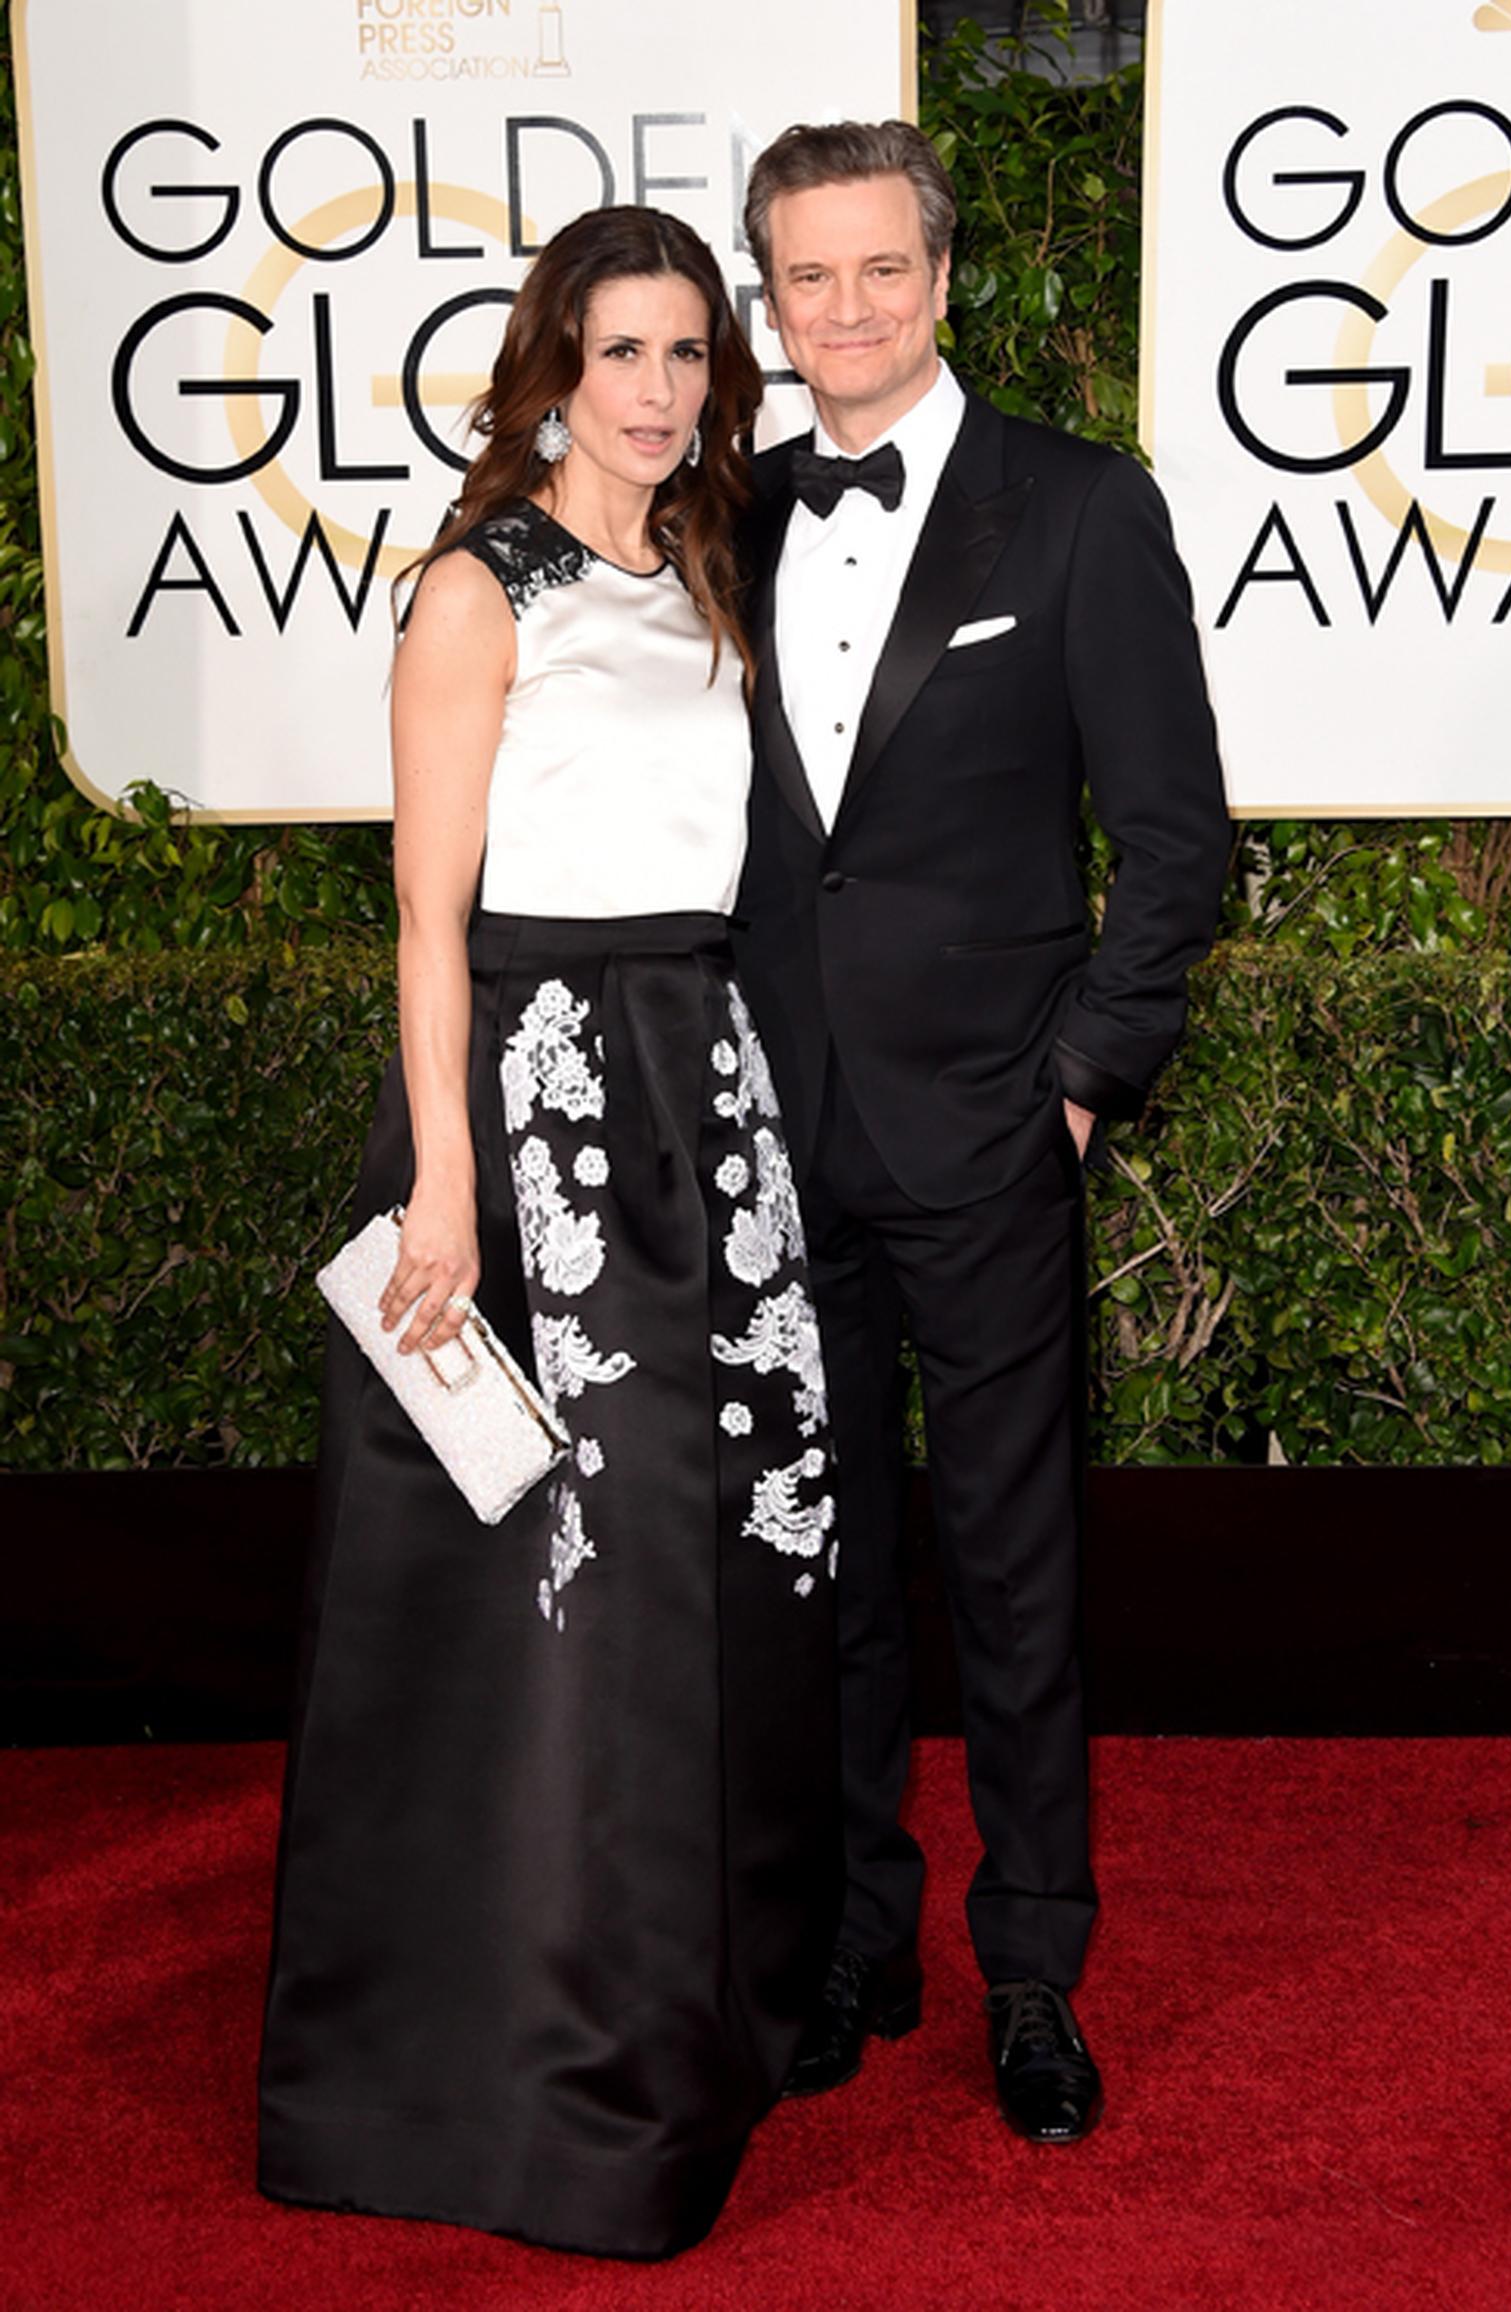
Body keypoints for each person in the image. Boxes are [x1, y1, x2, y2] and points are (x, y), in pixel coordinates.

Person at [258, 205, 841, 2261]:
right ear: (551, 366)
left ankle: (710, 2007)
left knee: (725, 1565)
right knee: (552, 1605)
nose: (665, 390)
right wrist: (443, 1180)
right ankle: (523, 2067)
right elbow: (426, 914)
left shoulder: (697, 563)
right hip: (537, 1106)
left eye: (693, 353)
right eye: (625, 353)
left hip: (710, 1091)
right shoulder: (474, 585)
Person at [731, 122, 1230, 2143]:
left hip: (995, 1133)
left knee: (1017, 1570)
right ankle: (861, 1930)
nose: (844, 309)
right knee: (821, 1561)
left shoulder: (1085, 512)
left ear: (944, 279)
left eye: (878, 269)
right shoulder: (721, 514)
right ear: (772, 303)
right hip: (774, 1129)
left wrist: (1087, 1079)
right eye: (806, 279)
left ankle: (1035, 1962)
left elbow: (1179, 839)